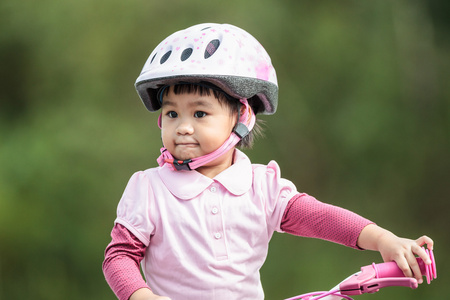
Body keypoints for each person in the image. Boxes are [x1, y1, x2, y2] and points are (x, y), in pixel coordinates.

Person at [102, 23, 434, 300]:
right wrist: (140, 296)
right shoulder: (149, 189)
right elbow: (119, 256)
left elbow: (319, 217)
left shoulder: (262, 187)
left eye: (200, 113)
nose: (183, 126)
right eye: (172, 113)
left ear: (241, 116)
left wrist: (383, 240)